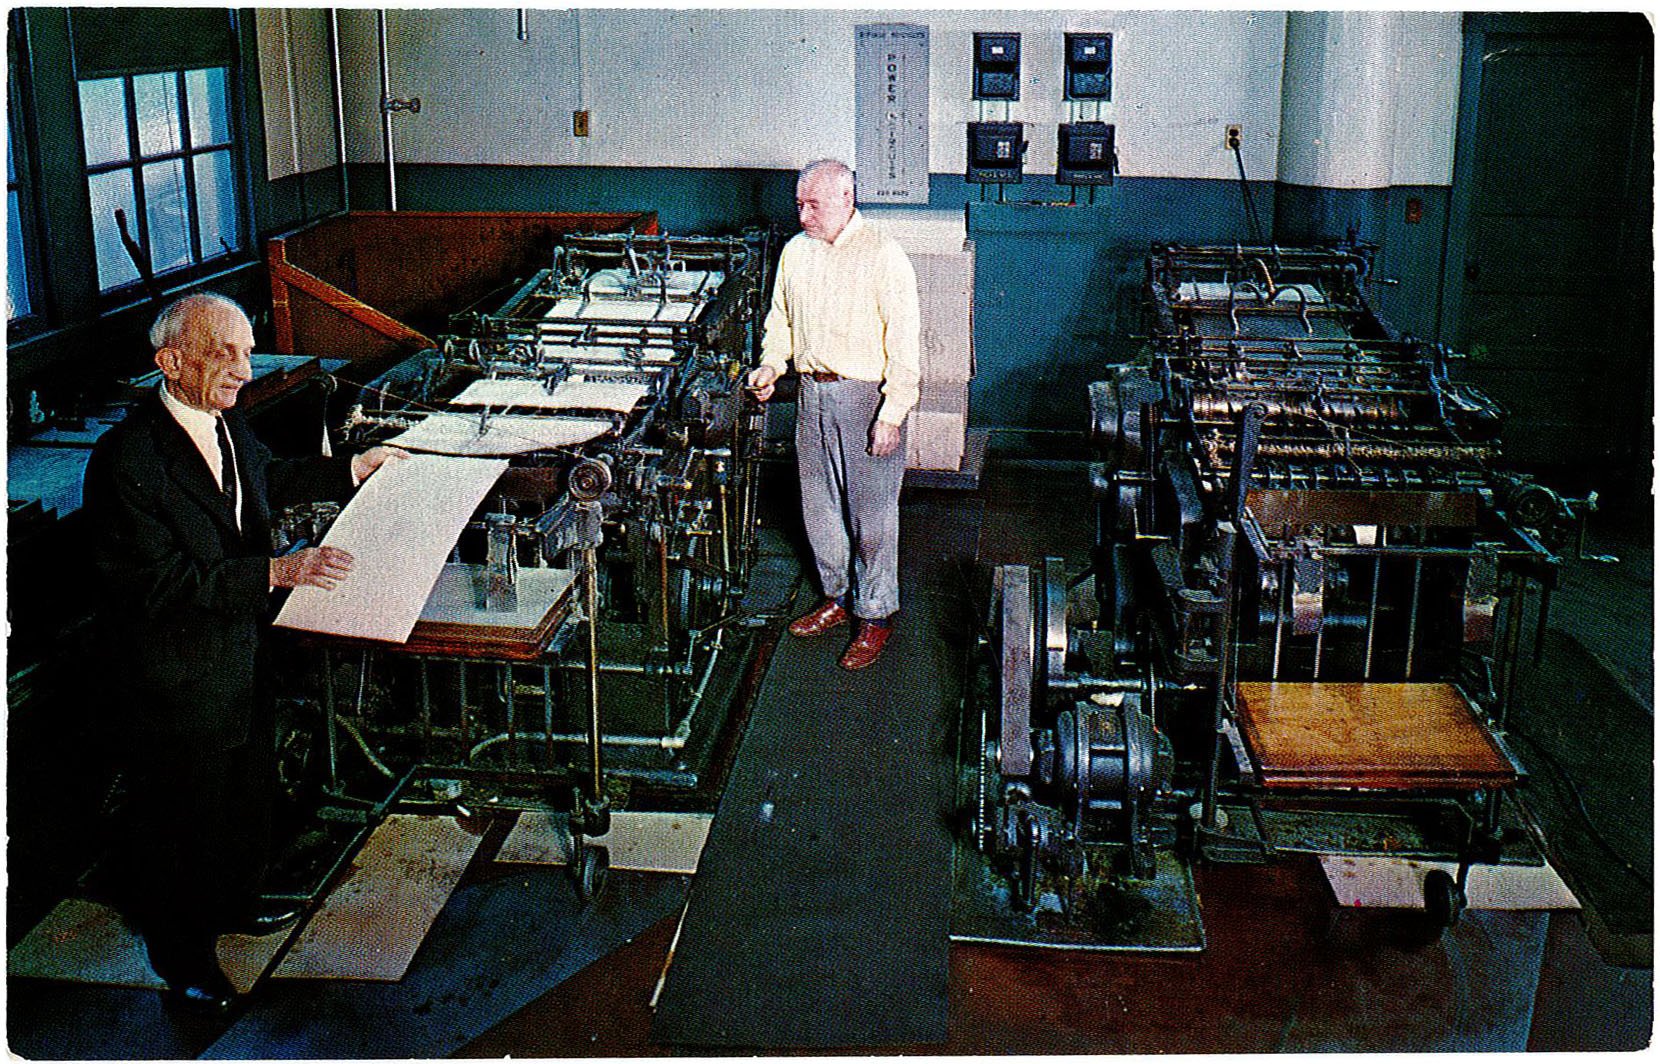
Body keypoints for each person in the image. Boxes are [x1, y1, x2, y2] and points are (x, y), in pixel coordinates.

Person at [81, 292, 405, 1014]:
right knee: (180, 824)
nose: (244, 368)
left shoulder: (225, 425)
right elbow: (157, 585)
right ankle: (183, 960)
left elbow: (270, 479)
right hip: (176, 683)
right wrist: (275, 571)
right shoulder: (126, 460)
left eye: (248, 351)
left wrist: (351, 470)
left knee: (242, 806)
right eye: (225, 352)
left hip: (242, 660)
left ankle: (229, 908)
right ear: (171, 362)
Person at [746, 159, 921, 670]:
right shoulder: (796, 254)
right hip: (811, 395)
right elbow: (779, 320)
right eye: (799, 204)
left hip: (866, 399)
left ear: (847, 199)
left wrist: (892, 414)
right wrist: (771, 365)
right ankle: (839, 598)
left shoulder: (884, 255)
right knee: (819, 509)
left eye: (813, 205)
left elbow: (905, 345)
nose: (803, 215)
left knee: (872, 518)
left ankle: (876, 616)